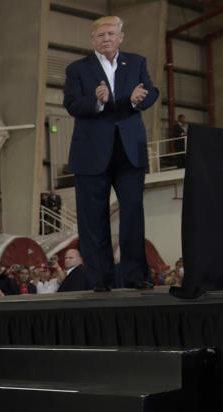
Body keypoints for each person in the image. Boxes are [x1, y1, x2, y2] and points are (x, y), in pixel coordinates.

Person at [64, 15, 158, 291]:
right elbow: (71, 104)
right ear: (93, 39)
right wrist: (97, 101)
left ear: (121, 37)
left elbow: (151, 91)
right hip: (91, 152)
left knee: (132, 214)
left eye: (111, 34)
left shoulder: (137, 62)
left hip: (130, 150)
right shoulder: (77, 69)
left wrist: (141, 100)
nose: (107, 39)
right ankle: (99, 278)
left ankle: (135, 275)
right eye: (101, 35)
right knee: (93, 220)